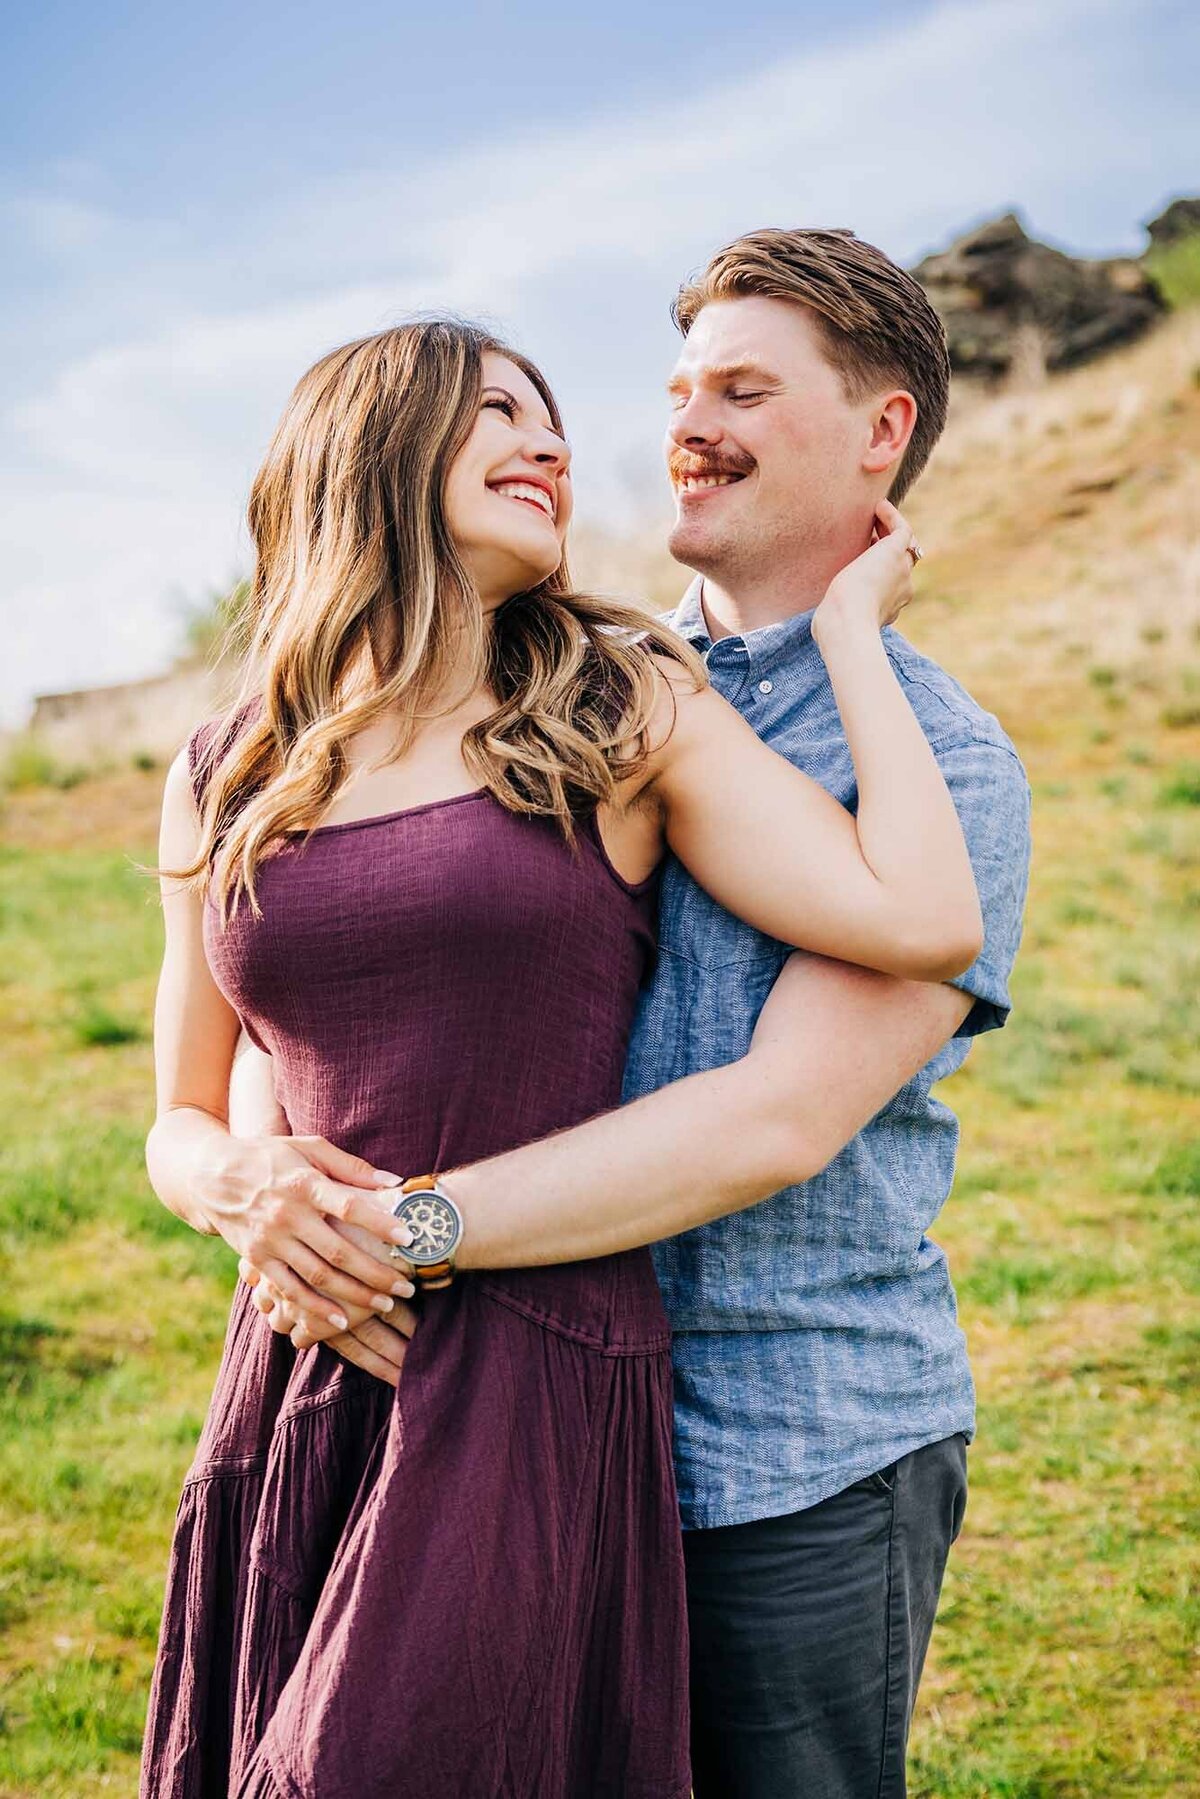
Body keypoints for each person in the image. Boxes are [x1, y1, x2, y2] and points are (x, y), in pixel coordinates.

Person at [140, 312, 981, 1798]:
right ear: (370, 443)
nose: (549, 442)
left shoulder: (614, 708)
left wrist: (853, 633)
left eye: (550, 418)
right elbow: (184, 1113)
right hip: (303, 1349)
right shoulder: (230, 765)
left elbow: (920, 914)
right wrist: (246, 1190)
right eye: (496, 411)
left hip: (527, 1361)